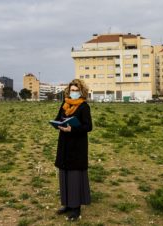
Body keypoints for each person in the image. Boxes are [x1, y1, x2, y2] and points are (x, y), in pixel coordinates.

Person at [54, 79, 93, 221]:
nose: (74, 93)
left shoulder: (84, 107)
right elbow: (58, 118)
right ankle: (67, 205)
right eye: (72, 90)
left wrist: (73, 128)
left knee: (74, 176)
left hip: (77, 146)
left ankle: (76, 208)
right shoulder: (65, 105)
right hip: (64, 145)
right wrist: (58, 124)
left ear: (81, 91)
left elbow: (88, 127)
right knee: (64, 174)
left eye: (76, 90)